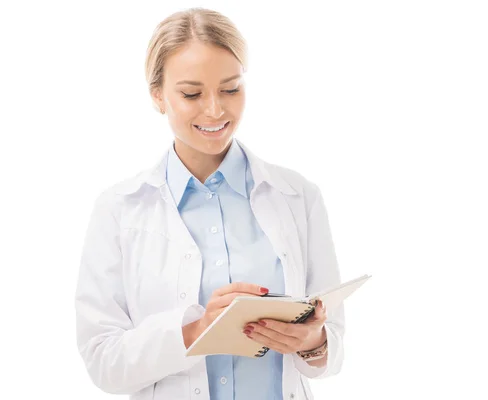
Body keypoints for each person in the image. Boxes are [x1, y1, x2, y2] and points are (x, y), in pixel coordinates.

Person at [74, 7, 344, 400]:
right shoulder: (119, 210)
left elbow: (332, 348)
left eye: (231, 89)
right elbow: (102, 361)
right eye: (191, 94)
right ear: (158, 95)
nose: (215, 109)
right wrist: (196, 331)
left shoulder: (298, 196)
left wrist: (313, 339)